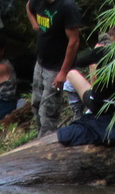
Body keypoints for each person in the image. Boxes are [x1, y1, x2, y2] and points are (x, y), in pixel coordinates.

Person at [56, 33, 115, 147]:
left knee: (71, 74)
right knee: (94, 67)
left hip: (99, 105)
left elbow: (77, 62)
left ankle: (78, 114)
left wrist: (95, 52)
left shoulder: (102, 52)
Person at [27, 0, 82, 137]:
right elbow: (28, 6)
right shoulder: (38, 2)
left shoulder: (66, 7)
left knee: (48, 112)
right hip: (40, 63)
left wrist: (63, 72)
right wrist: (35, 25)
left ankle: (46, 143)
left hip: (56, 68)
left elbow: (74, 41)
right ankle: (40, 137)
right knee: (36, 104)